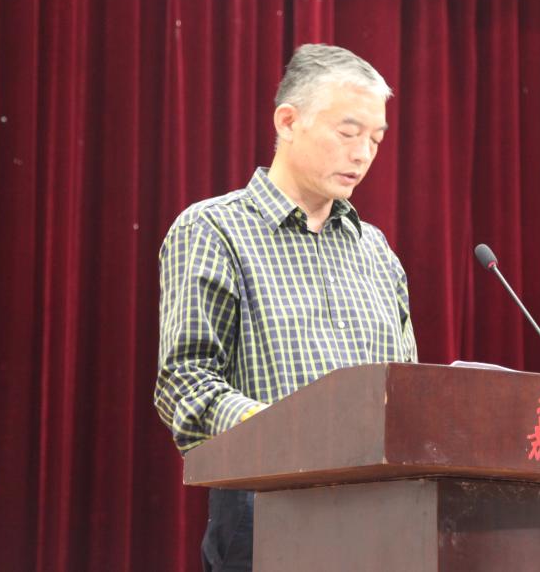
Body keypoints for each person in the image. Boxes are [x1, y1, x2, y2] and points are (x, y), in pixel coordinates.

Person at [154, 43, 418, 571]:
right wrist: (296, 432)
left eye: (375, 139)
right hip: (268, 511)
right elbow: (186, 384)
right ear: (288, 121)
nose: (363, 154)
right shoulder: (214, 230)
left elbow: (404, 390)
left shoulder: (376, 251)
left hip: (385, 518)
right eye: (348, 133)